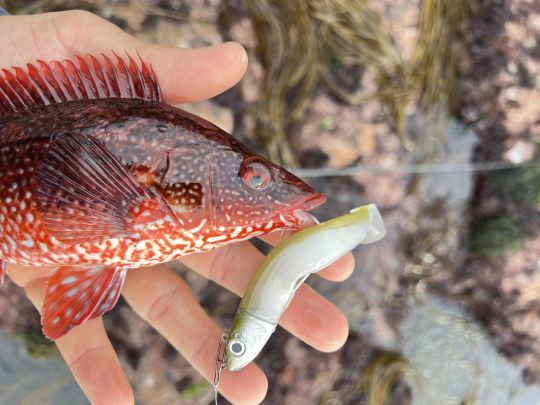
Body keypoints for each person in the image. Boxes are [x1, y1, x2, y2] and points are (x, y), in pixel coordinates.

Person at [0, 10, 355, 405]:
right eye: (254, 177)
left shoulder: (151, 174)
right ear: (182, 170)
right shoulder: (141, 190)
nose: (268, 187)